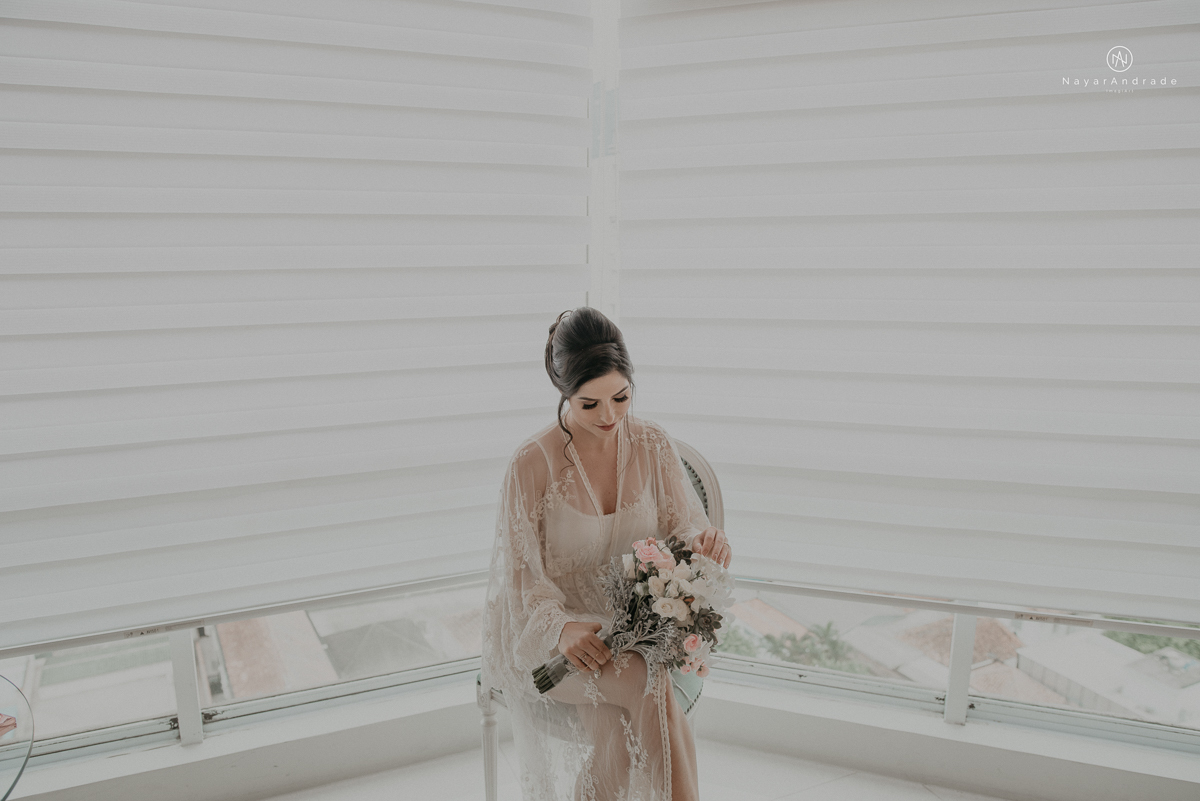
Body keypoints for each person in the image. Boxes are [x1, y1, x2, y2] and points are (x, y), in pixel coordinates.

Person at [481, 307, 733, 801]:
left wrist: (705, 542)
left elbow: (683, 527)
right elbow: (522, 578)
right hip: (551, 640)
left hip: (631, 627)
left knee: (617, 737)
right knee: (647, 683)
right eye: (589, 404)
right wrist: (561, 628)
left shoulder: (653, 443)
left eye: (620, 397)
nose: (610, 417)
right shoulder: (530, 464)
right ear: (563, 392)